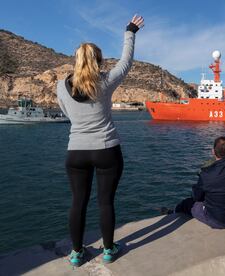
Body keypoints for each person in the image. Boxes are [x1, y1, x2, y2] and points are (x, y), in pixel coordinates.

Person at [56, 15, 144, 266]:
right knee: (105, 202)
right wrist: (130, 31)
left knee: (78, 203)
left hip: (76, 152)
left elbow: (66, 113)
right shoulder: (105, 81)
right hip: (107, 150)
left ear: (76, 61)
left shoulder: (62, 87)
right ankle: (108, 249)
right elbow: (126, 62)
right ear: (100, 61)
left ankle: (76, 253)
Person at [170, 109, 225, 229]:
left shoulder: (206, 174)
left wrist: (198, 187)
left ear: (213, 152)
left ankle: (173, 212)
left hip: (218, 221)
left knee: (189, 203)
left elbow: (197, 197)